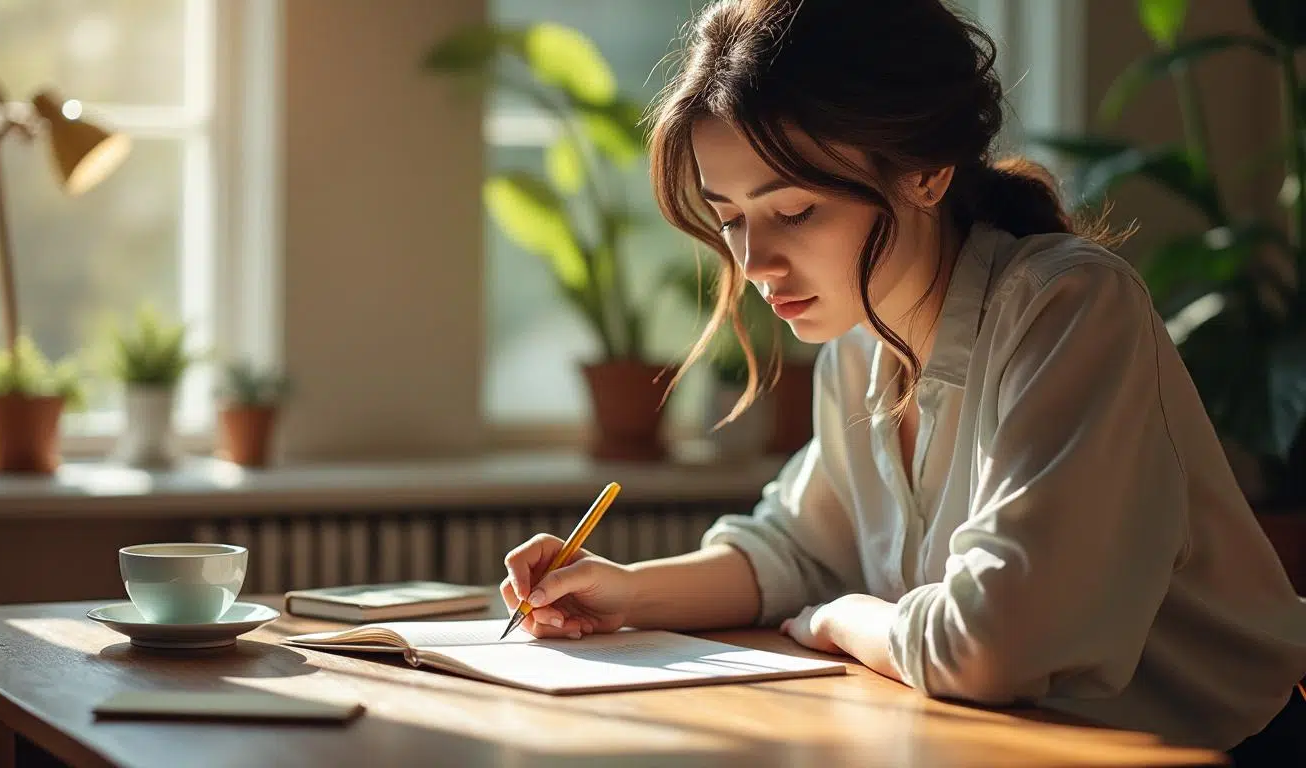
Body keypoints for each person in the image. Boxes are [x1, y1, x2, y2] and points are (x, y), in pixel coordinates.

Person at [500, 0, 1306, 761]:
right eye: (732, 216)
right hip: (1008, 747)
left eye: (796, 211)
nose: (753, 265)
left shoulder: (1068, 308)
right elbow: (798, 550)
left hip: (1218, 750)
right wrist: (625, 591)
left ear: (926, 171)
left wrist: (843, 618)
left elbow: (990, 646)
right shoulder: (863, 340)